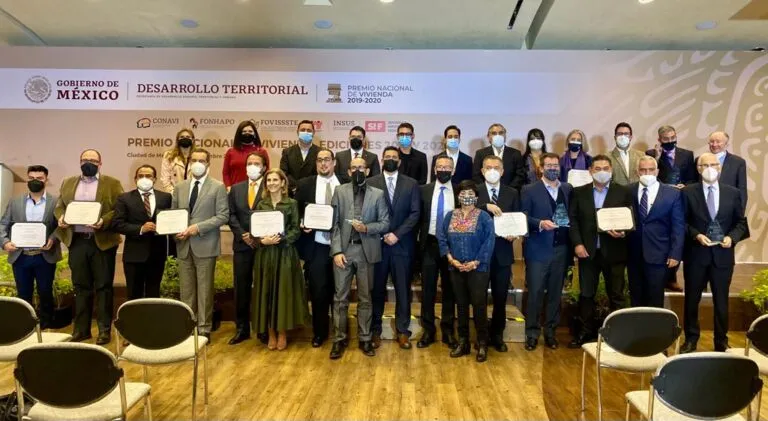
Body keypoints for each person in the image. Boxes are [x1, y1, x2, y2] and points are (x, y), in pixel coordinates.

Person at [680, 153, 749, 353]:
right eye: (705, 165)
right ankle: (691, 339)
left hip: (723, 256)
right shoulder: (687, 192)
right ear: (698, 169)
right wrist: (696, 235)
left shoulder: (732, 193)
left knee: (721, 301)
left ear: (719, 167)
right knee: (691, 300)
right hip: (696, 255)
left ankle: (721, 341)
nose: (709, 168)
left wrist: (732, 238)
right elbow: (681, 222)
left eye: (713, 164)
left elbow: (741, 223)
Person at [54, 149, 123, 344]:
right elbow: (60, 205)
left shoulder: (112, 183)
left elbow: (119, 209)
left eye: (93, 160)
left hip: (102, 242)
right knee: (80, 286)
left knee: (103, 287)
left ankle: (104, 330)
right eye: (85, 159)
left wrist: (103, 221)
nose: (88, 163)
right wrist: (61, 217)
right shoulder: (68, 182)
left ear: (100, 163)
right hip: (77, 241)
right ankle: (81, 330)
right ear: (79, 162)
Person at [567, 154, 632, 348]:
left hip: (614, 252)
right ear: (590, 171)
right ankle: (585, 332)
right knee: (587, 294)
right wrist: (577, 244)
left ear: (611, 170)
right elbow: (573, 221)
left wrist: (624, 231)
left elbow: (631, 218)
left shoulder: (624, 192)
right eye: (597, 169)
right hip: (588, 252)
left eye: (605, 168)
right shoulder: (579, 192)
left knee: (616, 295)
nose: (602, 172)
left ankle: (617, 336)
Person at [329, 157, 390, 359]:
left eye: (361, 167)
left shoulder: (378, 194)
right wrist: (336, 251)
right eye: (354, 167)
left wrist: (366, 228)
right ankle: (339, 339)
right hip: (344, 251)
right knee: (340, 298)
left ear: (368, 171)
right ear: (348, 172)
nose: (357, 171)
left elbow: (385, 223)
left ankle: (365, 338)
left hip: (367, 252)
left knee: (365, 298)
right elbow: (333, 224)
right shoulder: (339, 191)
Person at [171, 149, 229, 340]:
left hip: (205, 244)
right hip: (183, 245)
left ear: (208, 164)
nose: (197, 163)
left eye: (201, 160)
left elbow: (223, 216)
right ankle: (188, 326)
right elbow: (173, 214)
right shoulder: (180, 187)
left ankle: (204, 328)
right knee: (186, 291)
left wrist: (198, 228)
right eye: (194, 160)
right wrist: (175, 231)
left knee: (205, 291)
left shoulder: (218, 187)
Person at [368, 146, 421, 350]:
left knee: (403, 290)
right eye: (387, 157)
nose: (390, 159)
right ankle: (375, 330)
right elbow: (367, 213)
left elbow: (415, 213)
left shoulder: (411, 183)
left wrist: (397, 234)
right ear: (382, 160)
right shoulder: (371, 182)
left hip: (402, 244)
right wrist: (383, 233)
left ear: (399, 161)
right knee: (377, 290)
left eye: (394, 157)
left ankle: (403, 331)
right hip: (378, 244)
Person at [437, 180, 495, 362]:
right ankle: (463, 342)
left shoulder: (484, 217)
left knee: (478, 305)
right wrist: (451, 259)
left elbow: (489, 241)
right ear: (458, 196)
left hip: (478, 268)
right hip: (456, 267)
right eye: (463, 193)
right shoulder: (450, 215)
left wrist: (476, 262)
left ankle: (482, 343)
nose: (467, 197)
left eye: (471, 194)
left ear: (476, 197)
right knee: (461, 305)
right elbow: (442, 238)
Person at [251, 169, 308, 351]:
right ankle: (271, 333)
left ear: (283, 183)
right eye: (269, 180)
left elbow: (295, 230)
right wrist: (262, 241)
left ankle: (282, 333)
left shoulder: (292, 203)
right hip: (265, 255)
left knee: (283, 293)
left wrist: (280, 239)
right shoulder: (261, 204)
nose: (272, 183)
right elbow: (254, 231)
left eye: (275, 180)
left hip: (285, 254)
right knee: (266, 292)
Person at [521, 153, 572, 351]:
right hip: (538, 249)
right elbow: (523, 216)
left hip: (561, 249)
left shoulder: (567, 188)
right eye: (549, 165)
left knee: (555, 294)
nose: (553, 168)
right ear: (540, 168)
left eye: (556, 165)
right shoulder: (529, 190)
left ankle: (550, 332)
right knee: (535, 293)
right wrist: (540, 223)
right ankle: (532, 334)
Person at [0, 165, 61, 329]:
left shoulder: (56, 202)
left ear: (46, 180)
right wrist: (5, 242)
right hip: (21, 256)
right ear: (27, 179)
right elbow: (3, 224)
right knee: (23, 293)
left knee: (45, 291)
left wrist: (53, 239)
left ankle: (47, 325)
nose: (35, 181)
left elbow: (61, 227)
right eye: (31, 178)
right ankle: (25, 325)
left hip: (44, 256)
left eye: (39, 178)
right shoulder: (15, 201)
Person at [295, 148, 340, 347]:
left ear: (334, 162)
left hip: (341, 246)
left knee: (340, 292)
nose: (323, 163)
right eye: (320, 160)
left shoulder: (345, 183)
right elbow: (296, 211)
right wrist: (301, 223)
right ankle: (320, 333)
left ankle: (340, 333)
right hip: (317, 245)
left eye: (327, 160)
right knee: (318, 291)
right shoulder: (305, 184)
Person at [475, 155, 520, 352]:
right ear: (482, 171)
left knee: (500, 298)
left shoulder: (512, 193)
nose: (492, 170)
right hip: (479, 254)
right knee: (479, 298)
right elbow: (465, 212)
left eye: (496, 167)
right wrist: (485, 206)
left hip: (502, 253)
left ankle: (497, 335)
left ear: (502, 171)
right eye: (488, 167)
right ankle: (481, 337)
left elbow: (518, 217)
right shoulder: (475, 191)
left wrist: (515, 233)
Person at [626, 156, 684, 308]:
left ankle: (655, 325)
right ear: (637, 172)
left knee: (655, 298)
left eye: (651, 170)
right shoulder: (627, 191)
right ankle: (637, 324)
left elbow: (678, 226)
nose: (647, 173)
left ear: (657, 171)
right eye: (643, 170)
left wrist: (675, 253)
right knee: (635, 298)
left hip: (660, 255)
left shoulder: (672, 193)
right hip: (633, 254)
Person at [645, 125, 696, 292]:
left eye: (672, 137)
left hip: (681, 198)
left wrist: (685, 186)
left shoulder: (687, 155)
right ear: (659, 140)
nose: (670, 141)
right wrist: (658, 156)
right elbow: (650, 176)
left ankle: (672, 277)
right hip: (661, 200)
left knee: (677, 236)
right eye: (666, 139)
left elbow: (693, 178)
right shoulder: (651, 154)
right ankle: (661, 277)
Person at [112, 165, 172, 301]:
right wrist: (140, 229)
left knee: (154, 294)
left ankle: (153, 316)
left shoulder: (166, 197)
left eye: (148, 176)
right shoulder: (124, 198)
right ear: (135, 179)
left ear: (155, 179)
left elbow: (171, 219)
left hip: (157, 254)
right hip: (134, 255)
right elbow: (117, 224)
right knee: (134, 295)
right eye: (141, 176)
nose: (144, 178)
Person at [416, 155, 458, 349]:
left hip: (452, 246)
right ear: (434, 170)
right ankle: (428, 330)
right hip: (430, 244)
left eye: (447, 167)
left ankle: (448, 331)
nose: (443, 170)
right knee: (428, 289)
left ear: (453, 170)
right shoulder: (423, 190)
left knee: (449, 289)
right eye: (440, 167)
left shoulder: (459, 191)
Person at [226, 152, 266, 345]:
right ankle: (242, 329)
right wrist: (242, 234)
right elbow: (230, 214)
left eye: (256, 163)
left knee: (263, 287)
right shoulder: (236, 188)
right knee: (241, 287)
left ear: (264, 168)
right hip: (242, 245)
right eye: (249, 163)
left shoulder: (270, 186)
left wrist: (258, 236)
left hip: (263, 246)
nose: (252, 166)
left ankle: (263, 329)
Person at [472, 123, 526, 190]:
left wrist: (508, 190)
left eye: (501, 133)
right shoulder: (480, 153)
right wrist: (487, 189)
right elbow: (476, 175)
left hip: (510, 192)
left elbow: (520, 175)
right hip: (486, 192)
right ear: (488, 137)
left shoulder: (515, 153)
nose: (498, 136)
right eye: (494, 133)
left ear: (505, 135)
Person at [222, 120, 270, 191]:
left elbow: (266, 172)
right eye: (244, 131)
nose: (247, 133)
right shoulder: (231, 152)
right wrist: (229, 187)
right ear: (239, 134)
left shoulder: (262, 151)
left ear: (255, 134)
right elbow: (226, 173)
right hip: (235, 190)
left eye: (250, 131)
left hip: (256, 190)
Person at [705, 131, 747, 210]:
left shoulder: (738, 162)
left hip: (728, 208)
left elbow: (742, 190)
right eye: (712, 141)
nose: (714, 144)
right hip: (704, 208)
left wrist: (740, 212)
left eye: (718, 142)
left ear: (726, 144)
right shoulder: (699, 160)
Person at [280, 120, 321, 194]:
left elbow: (321, 173)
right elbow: (283, 173)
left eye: (309, 130)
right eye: (303, 130)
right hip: (292, 193)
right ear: (297, 132)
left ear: (313, 133)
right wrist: (295, 187)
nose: (306, 132)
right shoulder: (287, 152)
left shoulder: (320, 152)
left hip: (313, 192)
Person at [160, 128, 196, 194]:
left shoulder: (199, 155)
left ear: (193, 140)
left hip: (193, 194)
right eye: (182, 137)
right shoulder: (168, 155)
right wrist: (174, 194)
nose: (185, 138)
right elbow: (165, 179)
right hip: (174, 193)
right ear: (177, 140)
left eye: (188, 137)